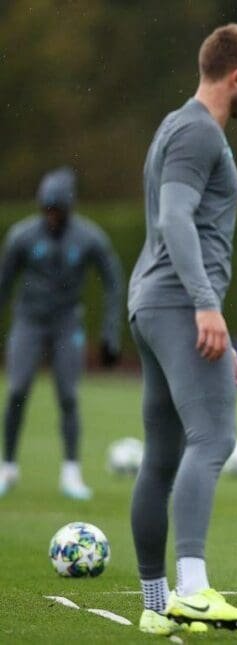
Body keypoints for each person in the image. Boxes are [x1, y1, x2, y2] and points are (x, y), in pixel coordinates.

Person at [127, 23, 237, 635]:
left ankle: (156, 603)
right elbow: (175, 218)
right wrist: (206, 304)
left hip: (152, 304)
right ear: (236, 76)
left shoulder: (173, 123)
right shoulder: (198, 131)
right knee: (213, 439)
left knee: (162, 455)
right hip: (176, 305)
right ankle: (192, 588)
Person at [0, 167, 122, 501]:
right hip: (29, 320)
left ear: (68, 208)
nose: (51, 215)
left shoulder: (89, 238)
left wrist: (110, 331)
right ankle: (7, 465)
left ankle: (71, 471)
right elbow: (4, 284)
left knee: (68, 395)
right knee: (17, 390)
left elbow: (112, 282)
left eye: (56, 209)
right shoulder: (22, 236)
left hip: (67, 322)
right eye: (46, 208)